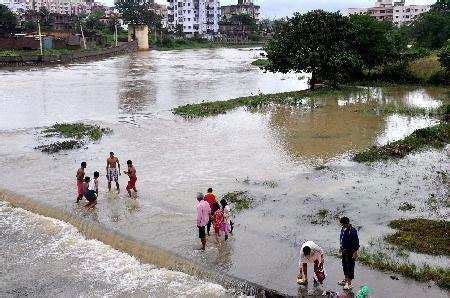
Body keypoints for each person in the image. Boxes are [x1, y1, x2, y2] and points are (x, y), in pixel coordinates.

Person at [339, 217, 360, 290]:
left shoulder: (352, 231)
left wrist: (355, 252)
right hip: (344, 251)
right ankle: (345, 280)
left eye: (343, 224)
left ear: (346, 223)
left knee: (350, 267)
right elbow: (342, 239)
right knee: (344, 265)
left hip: (350, 252)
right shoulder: (343, 229)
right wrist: (341, 248)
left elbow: (356, 242)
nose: (342, 225)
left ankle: (349, 284)